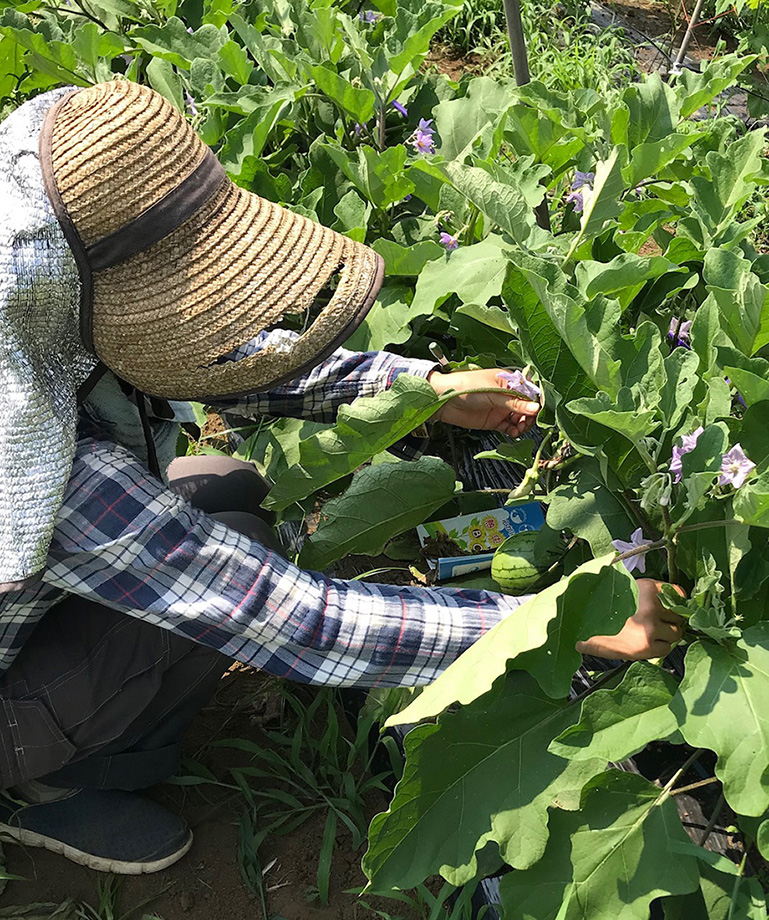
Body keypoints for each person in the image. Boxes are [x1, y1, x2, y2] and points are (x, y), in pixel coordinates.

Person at [0, 80, 684, 875]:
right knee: (206, 588)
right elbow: (298, 622)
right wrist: (561, 623)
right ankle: (51, 786)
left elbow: (221, 367)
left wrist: (426, 390)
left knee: (227, 489)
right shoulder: (49, 468)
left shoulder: (36, 318)